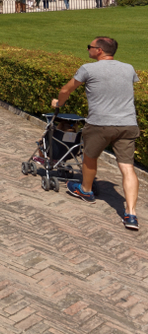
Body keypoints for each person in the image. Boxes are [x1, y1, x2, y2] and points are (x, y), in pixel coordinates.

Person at [53, 37, 141, 230]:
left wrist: (58, 103)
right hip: (127, 124)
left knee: (89, 157)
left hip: (100, 124)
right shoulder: (128, 68)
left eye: (90, 47)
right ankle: (131, 214)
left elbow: (66, 89)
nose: (88, 50)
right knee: (127, 167)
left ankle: (85, 190)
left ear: (99, 50)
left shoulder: (88, 69)